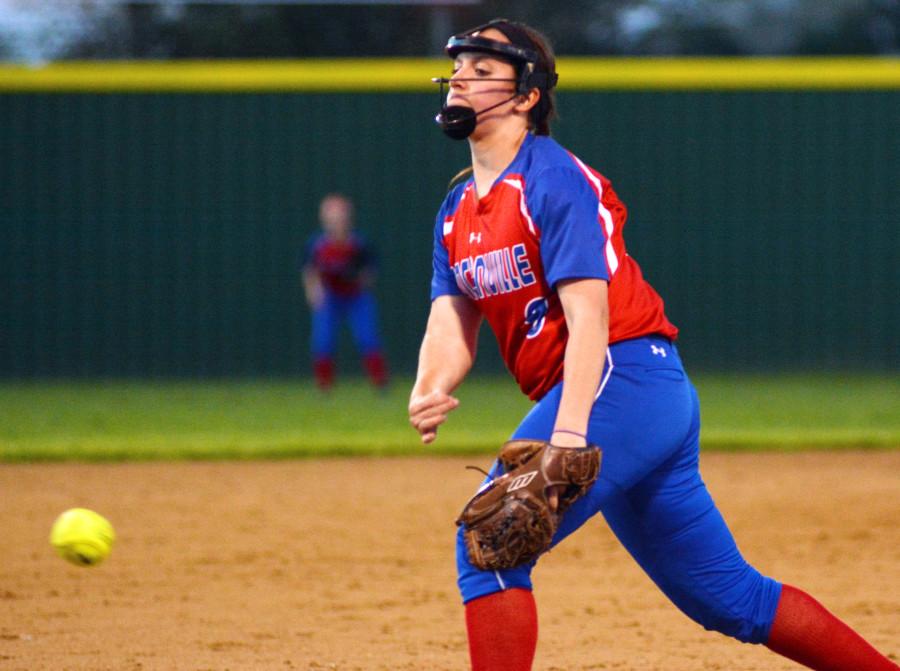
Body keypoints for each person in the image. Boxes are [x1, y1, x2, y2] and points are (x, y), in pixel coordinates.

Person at [408, 18, 897, 671]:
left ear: (526, 95)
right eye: (460, 64)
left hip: (623, 377)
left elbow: (590, 314)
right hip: (639, 397)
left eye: (484, 68)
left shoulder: (552, 179)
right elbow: (452, 318)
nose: (462, 76)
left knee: (490, 544)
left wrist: (571, 434)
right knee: (731, 599)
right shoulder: (457, 208)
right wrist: (433, 382)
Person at [301, 193, 389, 390]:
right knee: (323, 341)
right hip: (330, 298)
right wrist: (313, 292)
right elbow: (310, 271)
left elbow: (370, 271)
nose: (336, 224)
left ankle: (381, 383)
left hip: (356, 297)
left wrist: (359, 280)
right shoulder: (317, 245)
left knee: (368, 338)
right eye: (331, 219)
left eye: (340, 219)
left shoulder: (358, 244)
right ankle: (324, 386)